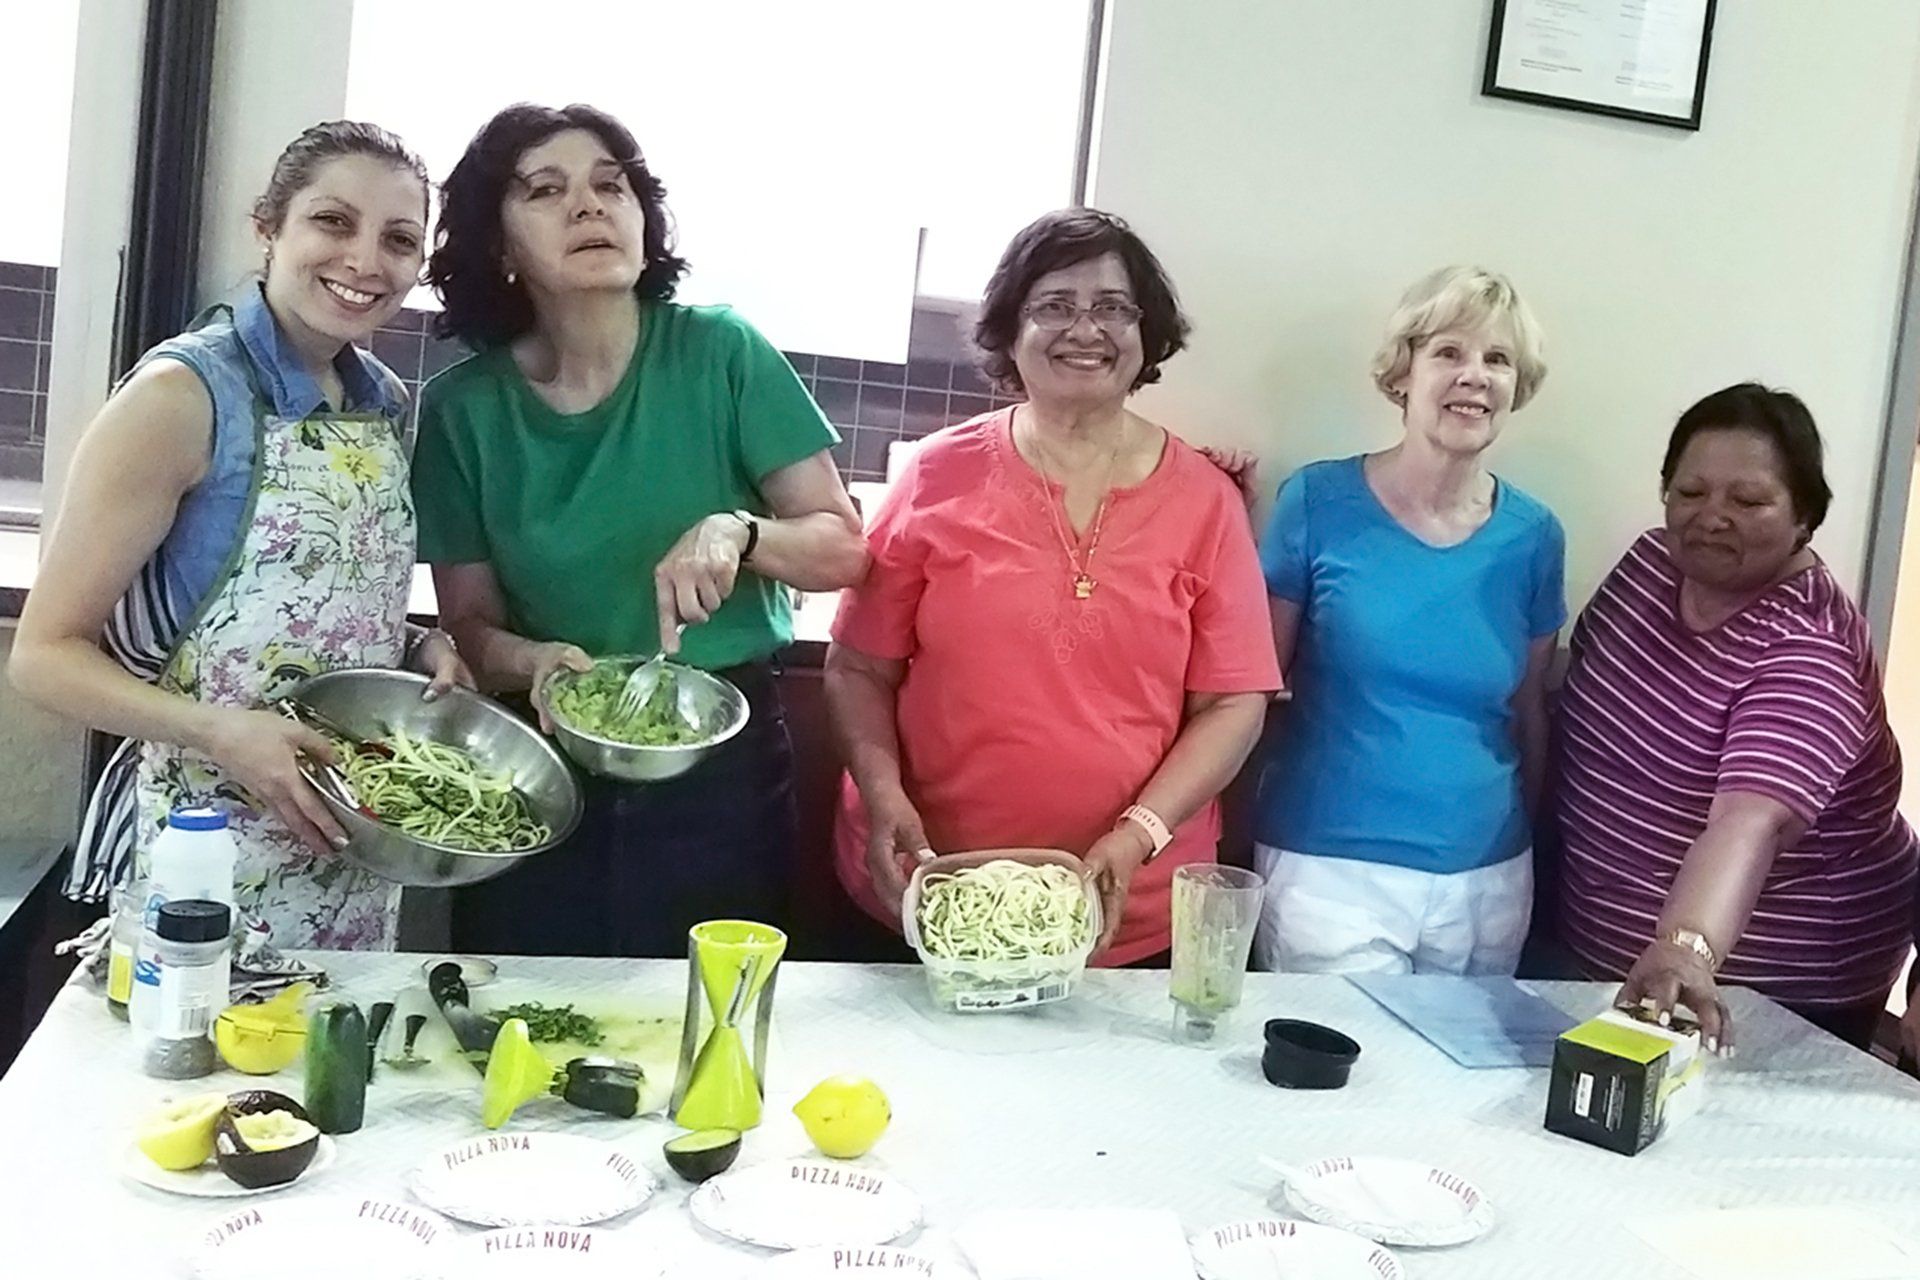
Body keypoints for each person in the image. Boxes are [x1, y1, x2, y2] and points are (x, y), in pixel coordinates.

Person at [412, 103, 867, 957]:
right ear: (500, 248)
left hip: (719, 764)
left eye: (610, 186)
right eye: (547, 191)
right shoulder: (462, 411)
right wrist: (529, 661)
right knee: (530, 1018)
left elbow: (844, 548)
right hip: (538, 762)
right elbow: (468, 622)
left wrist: (739, 531)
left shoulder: (720, 352)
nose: (590, 206)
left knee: (708, 1024)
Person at [10, 122, 466, 949]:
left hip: (351, 852)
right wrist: (221, 729)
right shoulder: (181, 396)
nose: (367, 260)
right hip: (203, 851)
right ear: (268, 227)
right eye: (333, 222)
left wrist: (411, 644)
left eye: (398, 240)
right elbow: (44, 657)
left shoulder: (385, 403)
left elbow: (311, 596)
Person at [826, 208, 1280, 965]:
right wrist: (883, 799)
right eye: (1054, 306)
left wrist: (1137, 835)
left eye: (1112, 307)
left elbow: (1234, 703)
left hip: (1123, 915)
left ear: (1147, 334)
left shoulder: (1206, 499)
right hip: (928, 890)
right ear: (1010, 329)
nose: (1085, 328)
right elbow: (857, 667)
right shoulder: (939, 473)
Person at [1557, 383, 1919, 1053]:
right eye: (1690, 493)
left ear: (1805, 517)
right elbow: (1574, 693)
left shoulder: (1808, 650)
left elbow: (1747, 823)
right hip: (1593, 954)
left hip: (1768, 991)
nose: (1711, 517)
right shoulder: (1647, 566)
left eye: (1748, 500)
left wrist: (1685, 948)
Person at [1252, 266, 1562, 976]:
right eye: (1449, 353)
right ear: (1404, 373)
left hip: (1491, 881)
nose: (1474, 376)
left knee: (1471, 1090)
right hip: (1329, 875)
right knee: (1349, 1088)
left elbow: (1528, 714)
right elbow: (1255, 695)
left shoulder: (1536, 535)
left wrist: (1532, 844)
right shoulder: (1316, 502)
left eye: (1497, 359)